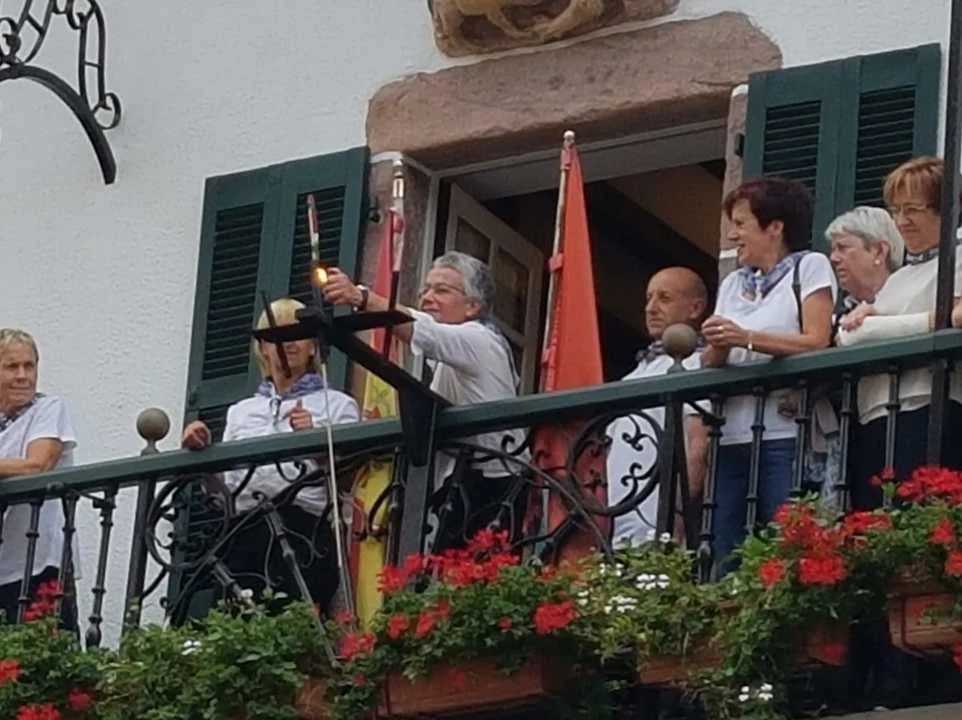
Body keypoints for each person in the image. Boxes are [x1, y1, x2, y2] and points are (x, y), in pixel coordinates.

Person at [322, 250, 524, 551]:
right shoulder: (455, 352)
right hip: (464, 484)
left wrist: (360, 297)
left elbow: (426, 331)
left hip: (495, 486)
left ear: (472, 306)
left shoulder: (480, 340)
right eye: (425, 290)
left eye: (441, 290)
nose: (428, 297)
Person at [181, 298, 359, 612]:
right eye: (275, 336)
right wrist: (203, 455)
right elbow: (225, 494)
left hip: (303, 532)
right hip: (243, 533)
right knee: (236, 623)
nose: (286, 344)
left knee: (294, 622)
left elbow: (350, 479)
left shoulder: (338, 405)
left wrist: (315, 438)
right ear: (263, 349)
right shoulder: (240, 412)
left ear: (313, 347)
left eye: (297, 334)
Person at [700, 178, 836, 572]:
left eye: (741, 224)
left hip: (783, 433)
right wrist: (719, 343)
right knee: (725, 548)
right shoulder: (732, 283)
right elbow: (712, 362)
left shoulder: (810, 267)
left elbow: (816, 339)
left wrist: (744, 337)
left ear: (775, 226)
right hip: (731, 436)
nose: (733, 235)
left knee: (788, 541)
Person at [839, 157, 962, 508]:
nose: (901, 221)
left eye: (913, 210)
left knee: (918, 513)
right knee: (876, 517)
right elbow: (848, 336)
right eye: (896, 210)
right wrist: (879, 319)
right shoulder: (899, 278)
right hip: (875, 410)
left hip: (925, 405)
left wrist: (875, 325)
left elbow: (955, 318)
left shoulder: (958, 257)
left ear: (945, 209)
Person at [606, 267, 708, 547]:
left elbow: (698, 445)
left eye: (664, 298)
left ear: (695, 308)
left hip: (657, 522)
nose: (650, 308)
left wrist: (678, 518)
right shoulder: (637, 371)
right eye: (649, 298)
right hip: (619, 520)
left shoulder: (698, 363)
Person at [0, 328, 78, 629]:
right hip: (6, 561)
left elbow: (38, 464)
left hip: (41, 562)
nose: (23, 376)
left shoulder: (49, 408)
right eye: (12, 367)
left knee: (46, 650)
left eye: (29, 366)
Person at [828, 206, 904, 321]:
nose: (833, 258)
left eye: (842, 248)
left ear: (879, 251)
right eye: (833, 250)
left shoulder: (912, 302)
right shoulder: (835, 319)